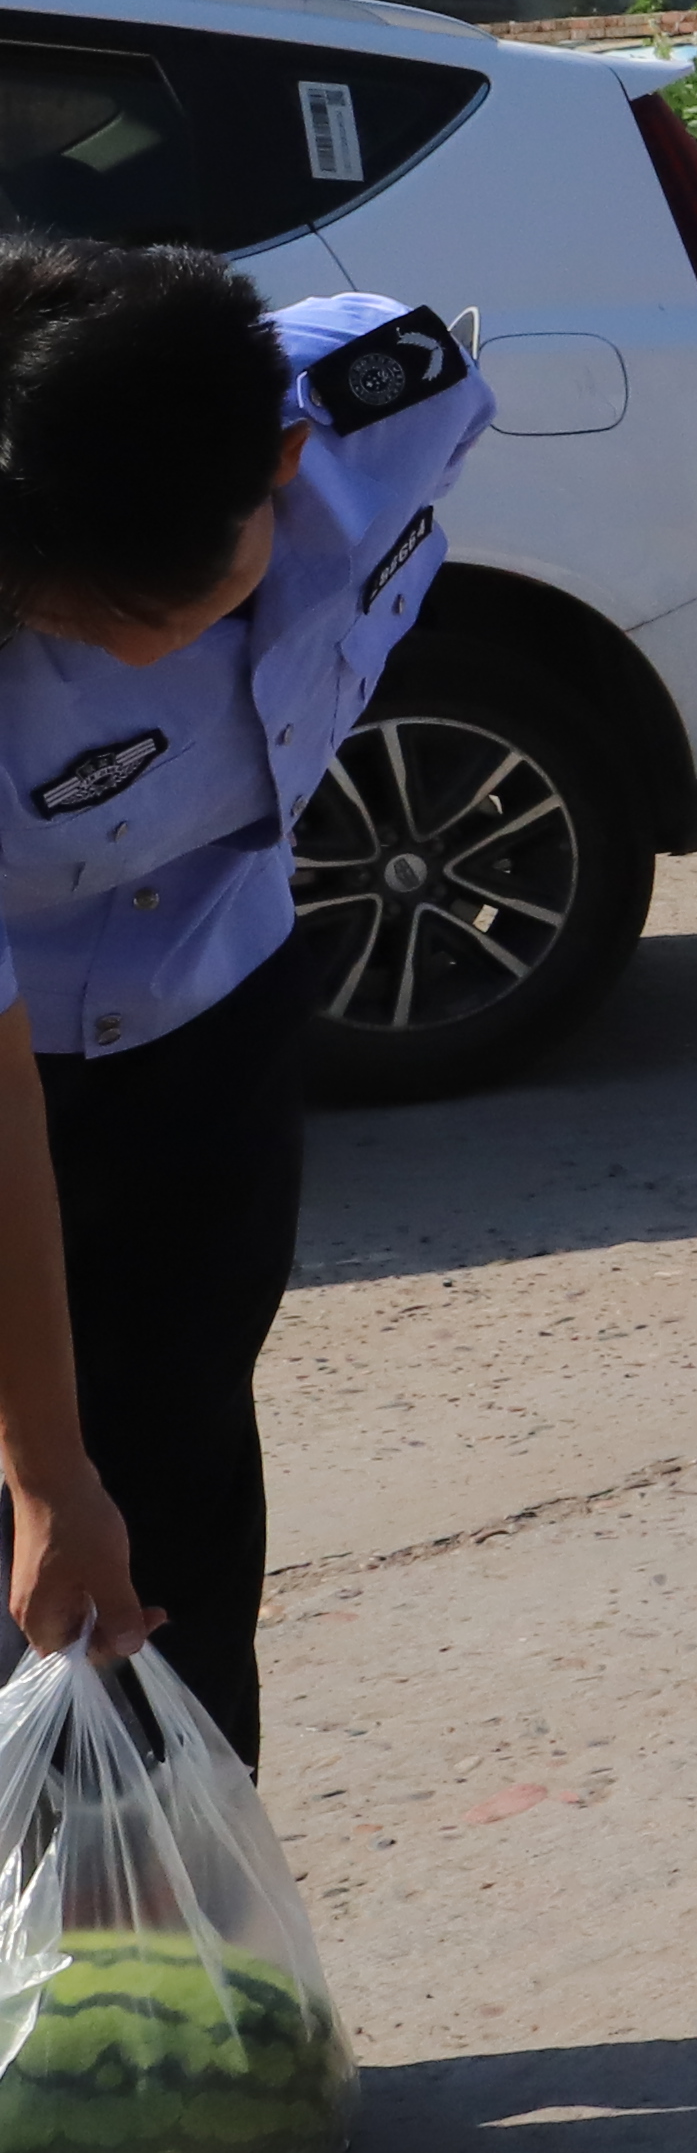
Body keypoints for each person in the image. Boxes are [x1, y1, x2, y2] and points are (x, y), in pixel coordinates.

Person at [0, 240, 488, 1751]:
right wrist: (43, 1474)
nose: (103, 646)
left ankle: (185, 1923)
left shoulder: (374, 393)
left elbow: (408, 376)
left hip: (220, 995)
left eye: (141, 611)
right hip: (34, 1064)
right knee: (45, 1521)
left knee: (186, 1462)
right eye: (67, 626)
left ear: (282, 463)